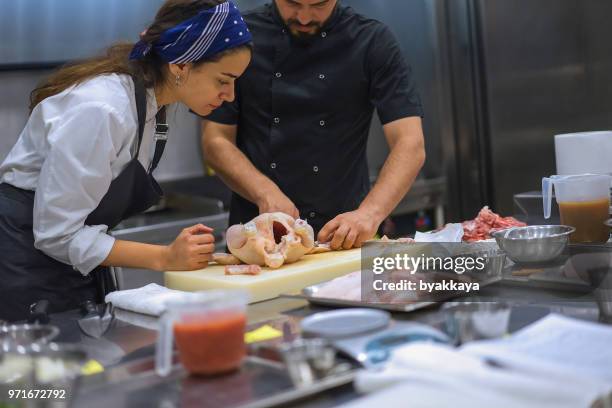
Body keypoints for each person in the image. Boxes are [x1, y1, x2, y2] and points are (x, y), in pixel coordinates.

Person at [0, 0, 252, 321]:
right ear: (181, 65)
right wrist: (165, 257)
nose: (230, 96)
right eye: (223, 80)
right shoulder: (102, 110)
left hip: (69, 264)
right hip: (26, 262)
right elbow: (56, 235)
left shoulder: (151, 103)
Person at [200, 0, 425, 251]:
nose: (305, 17)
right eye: (292, 3)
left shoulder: (371, 40)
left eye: (319, 4)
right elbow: (215, 140)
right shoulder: (240, 37)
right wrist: (264, 191)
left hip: (347, 236)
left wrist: (369, 214)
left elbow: (410, 143)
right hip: (257, 239)